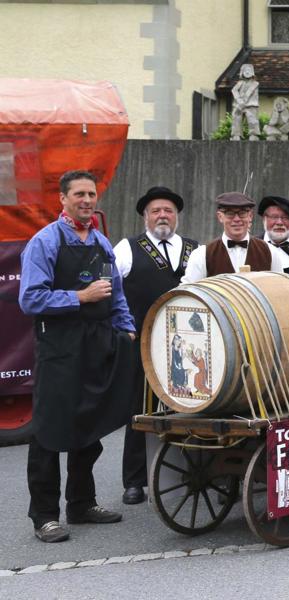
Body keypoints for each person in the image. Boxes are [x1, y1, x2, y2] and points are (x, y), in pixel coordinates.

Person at [18, 170, 136, 543]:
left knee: (90, 424)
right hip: (59, 346)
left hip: (97, 343)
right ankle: (44, 516)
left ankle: (81, 504)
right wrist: (78, 297)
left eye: (92, 194)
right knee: (50, 430)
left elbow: (113, 292)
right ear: (63, 200)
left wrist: (126, 325)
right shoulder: (44, 242)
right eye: (79, 194)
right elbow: (30, 298)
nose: (87, 200)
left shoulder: (102, 243)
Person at [112, 186, 198, 505]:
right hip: (143, 345)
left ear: (176, 216)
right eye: (156, 211)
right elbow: (110, 290)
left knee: (190, 409)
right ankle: (134, 481)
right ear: (145, 216)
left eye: (169, 211)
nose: (163, 215)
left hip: (186, 346)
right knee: (139, 410)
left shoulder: (194, 249)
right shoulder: (127, 248)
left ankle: (190, 471)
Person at [181, 192, 289, 283]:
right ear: (220, 217)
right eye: (230, 213)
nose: (237, 219)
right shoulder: (202, 254)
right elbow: (189, 293)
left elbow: (279, 290)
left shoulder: (270, 252)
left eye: (242, 213)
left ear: (250, 216)